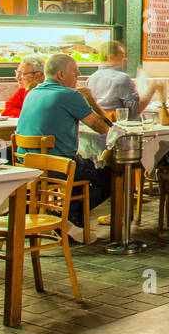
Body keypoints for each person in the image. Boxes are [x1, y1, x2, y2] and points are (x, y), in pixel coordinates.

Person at [15, 53, 112, 231]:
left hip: (25, 164)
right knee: (110, 176)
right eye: (75, 71)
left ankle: (68, 218)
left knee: (81, 167)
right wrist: (91, 102)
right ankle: (65, 217)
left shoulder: (31, 93)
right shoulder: (69, 95)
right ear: (61, 74)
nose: (79, 74)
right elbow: (101, 127)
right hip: (55, 166)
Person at [85, 40, 158, 121]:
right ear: (111, 57)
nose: (125, 59)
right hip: (123, 129)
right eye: (122, 55)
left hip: (103, 127)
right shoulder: (122, 78)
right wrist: (152, 89)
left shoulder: (91, 79)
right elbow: (136, 109)